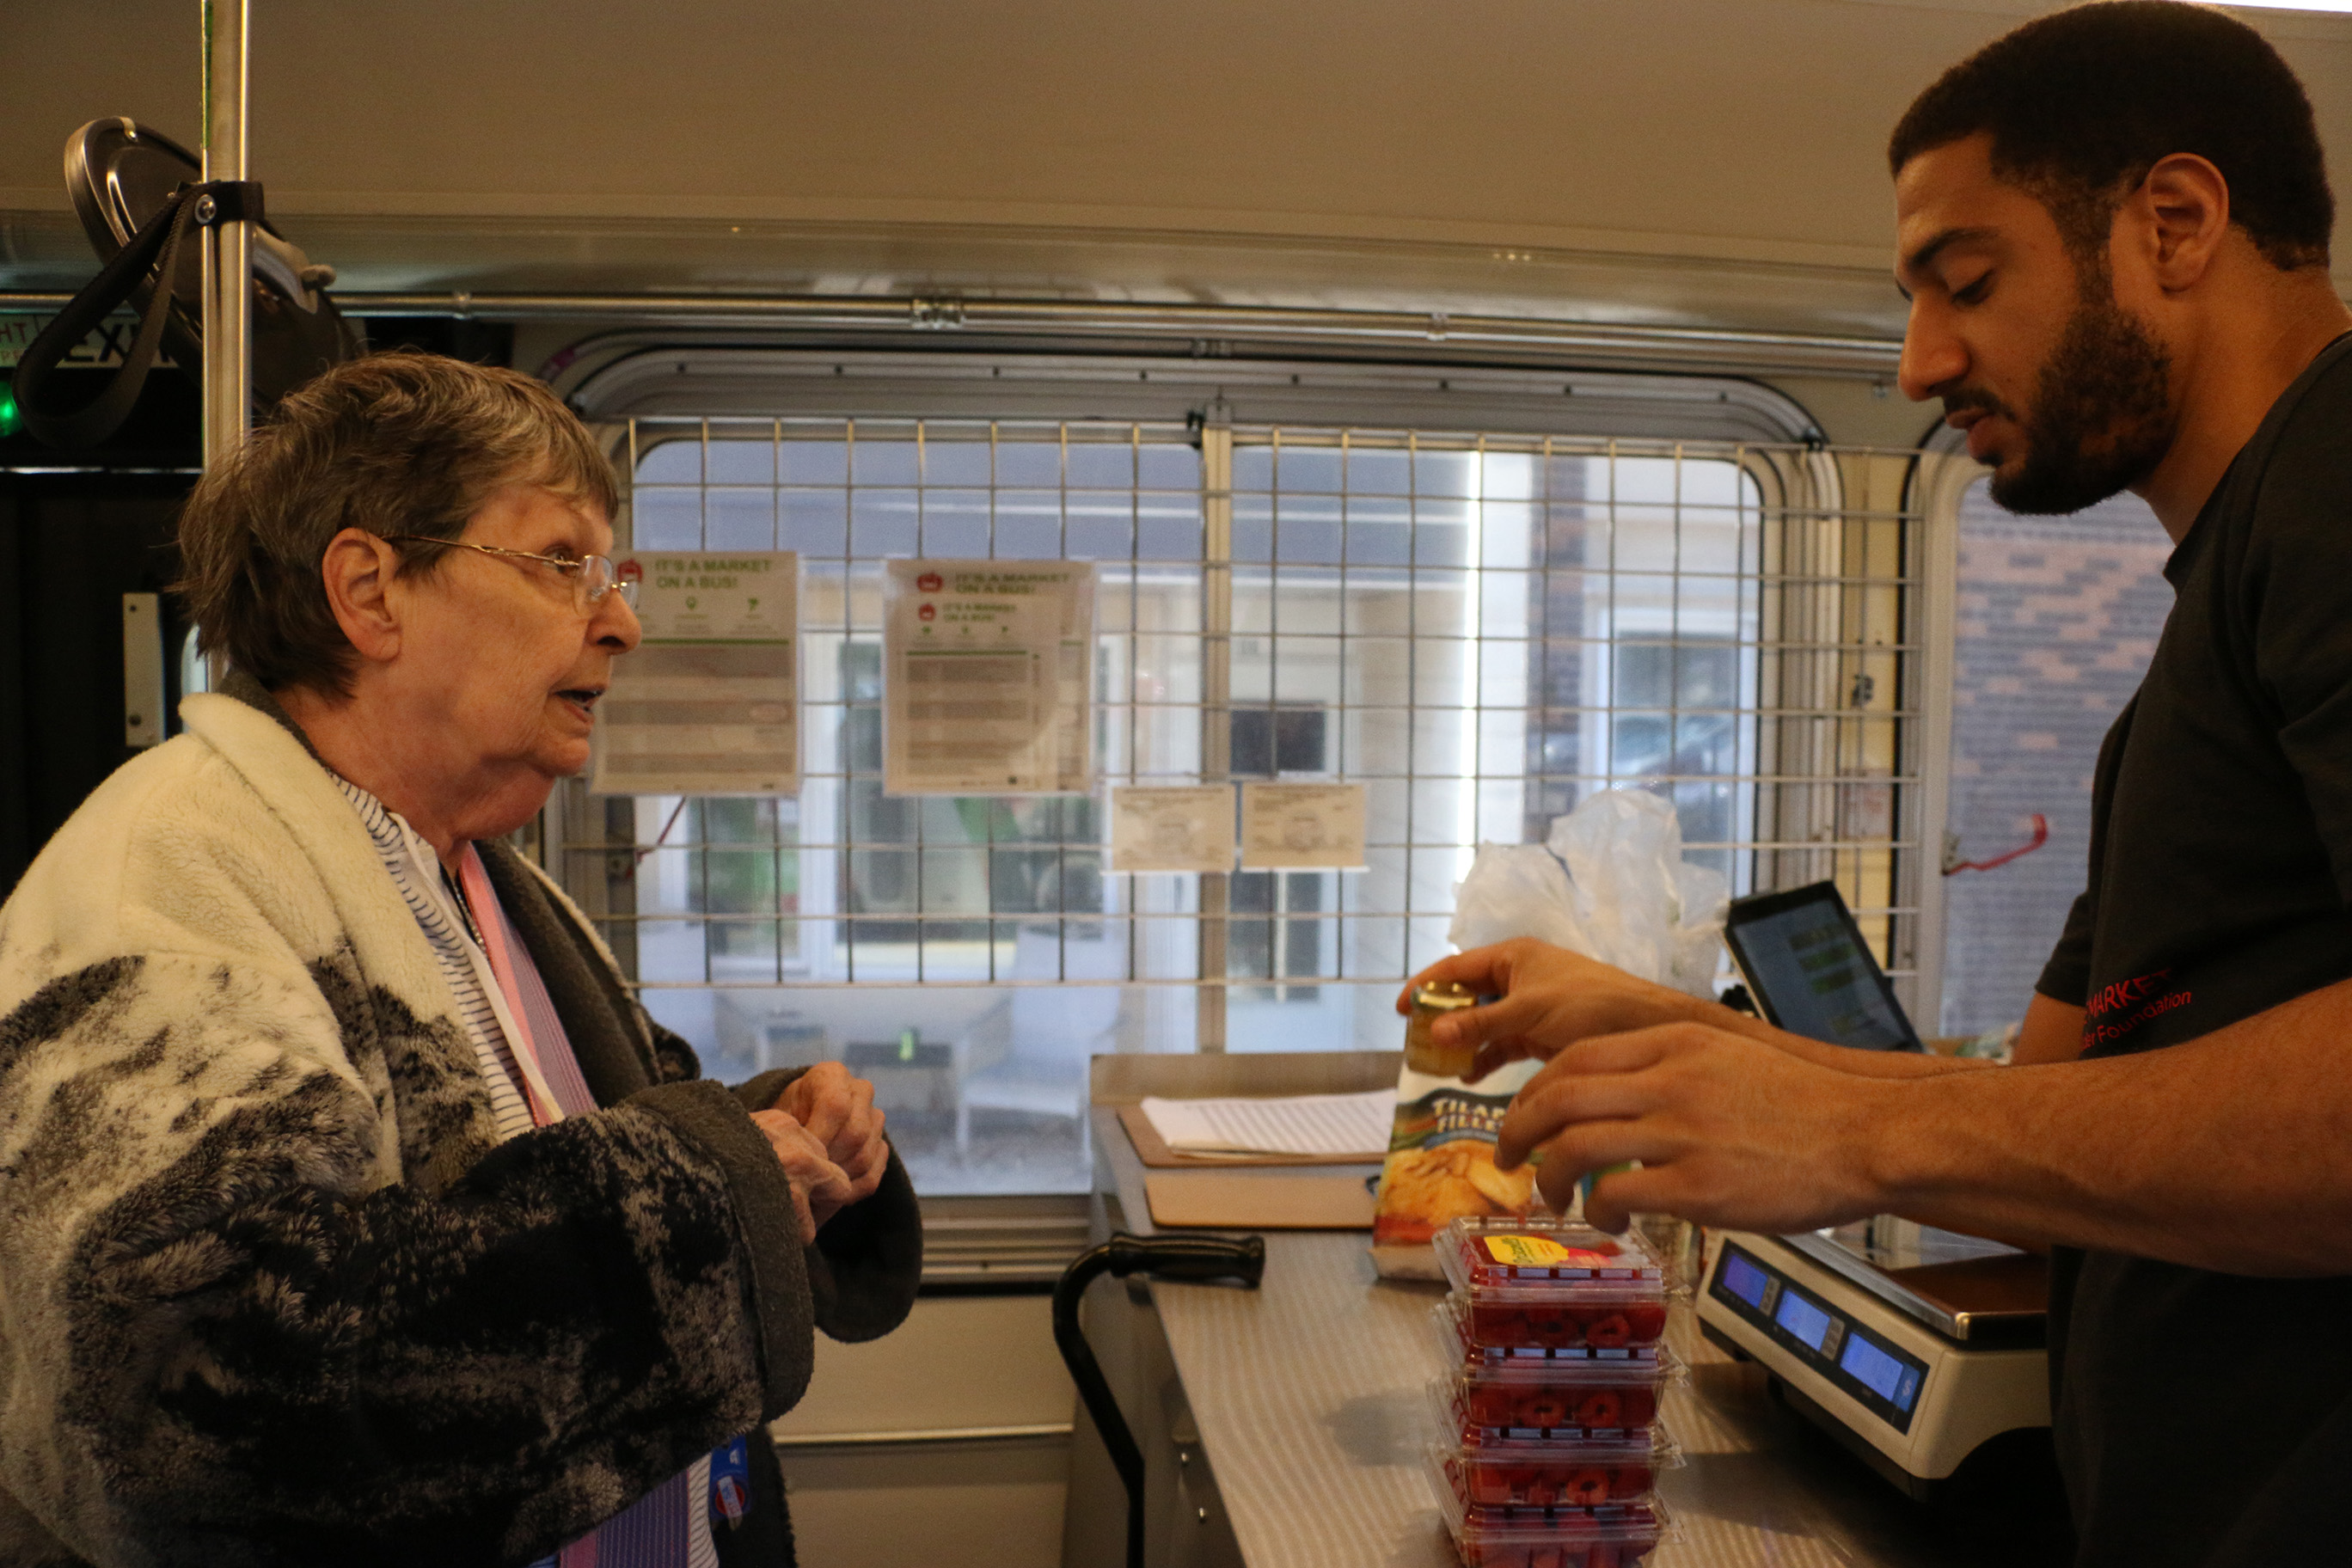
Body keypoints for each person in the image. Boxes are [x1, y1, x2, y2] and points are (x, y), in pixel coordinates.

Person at [1406, 5, 2352, 1565]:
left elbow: (1966, 1146)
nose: (1922, 361)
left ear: (2175, 224)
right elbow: (2053, 1138)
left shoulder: (2350, 481)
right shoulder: (2203, 642)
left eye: (1969, 284)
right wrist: (1678, 1041)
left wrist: (1863, 1143)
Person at [0, 351, 920, 1568]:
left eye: (613, 572)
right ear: (371, 592)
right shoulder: (162, 882)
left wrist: (772, 1145)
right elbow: (199, 1396)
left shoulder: (478, 868)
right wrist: (703, 1190)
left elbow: (570, 1156)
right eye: (561, 563)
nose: (623, 621)